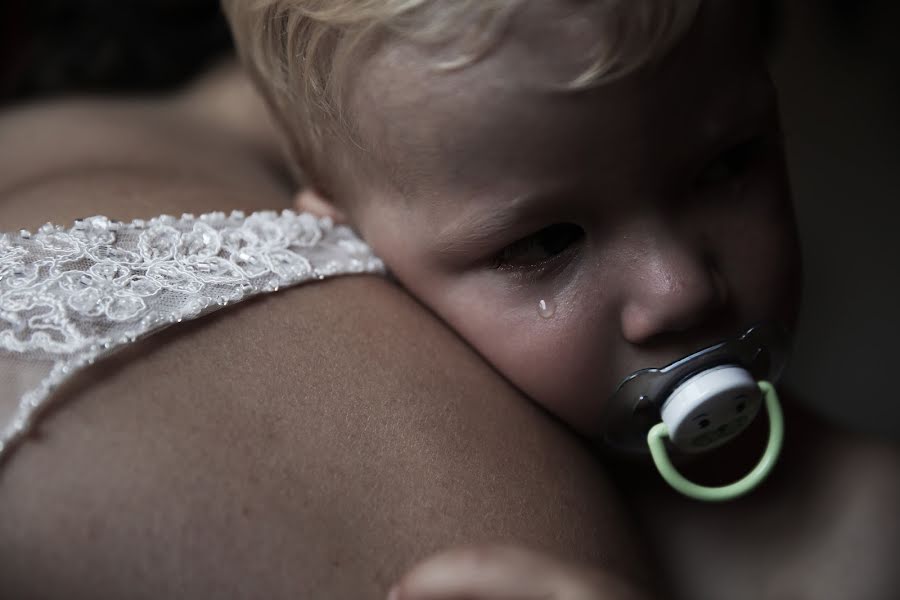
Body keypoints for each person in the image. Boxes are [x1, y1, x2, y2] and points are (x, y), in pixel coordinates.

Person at [219, 0, 900, 598]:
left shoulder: (874, 535)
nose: (681, 290)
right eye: (548, 243)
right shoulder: (381, 510)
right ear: (360, 244)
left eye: (727, 165)